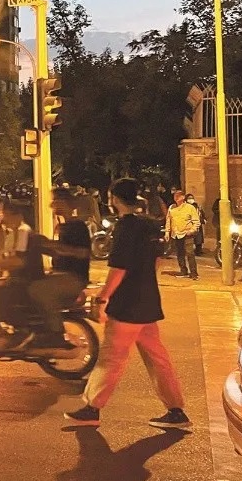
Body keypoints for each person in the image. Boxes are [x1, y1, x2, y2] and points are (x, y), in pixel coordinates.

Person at [65, 178, 191, 429]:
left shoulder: (125, 228)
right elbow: (157, 262)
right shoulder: (150, 225)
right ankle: (176, 410)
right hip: (147, 302)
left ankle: (92, 408)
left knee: (111, 358)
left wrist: (102, 297)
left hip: (126, 306)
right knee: (157, 358)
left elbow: (119, 269)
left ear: (114, 199)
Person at [0, 200, 49, 348]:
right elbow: (4, 258)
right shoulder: (12, 234)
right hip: (14, 279)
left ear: (17, 215)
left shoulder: (24, 231)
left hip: (26, 281)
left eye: (4, 215)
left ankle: (21, 332)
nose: (2, 220)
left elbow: (18, 262)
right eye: (0, 215)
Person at [28, 188, 91, 349]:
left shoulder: (77, 226)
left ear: (64, 203)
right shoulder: (61, 227)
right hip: (59, 275)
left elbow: (82, 252)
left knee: (38, 289)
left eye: (55, 201)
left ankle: (56, 334)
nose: (51, 205)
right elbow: (57, 252)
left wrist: (53, 245)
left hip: (73, 279)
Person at [165, 190, 200, 280]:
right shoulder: (171, 208)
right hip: (176, 234)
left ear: (183, 197)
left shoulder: (190, 208)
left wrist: (192, 230)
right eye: (175, 196)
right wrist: (167, 232)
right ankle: (183, 271)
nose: (176, 198)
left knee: (190, 253)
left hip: (187, 234)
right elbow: (168, 220)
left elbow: (196, 222)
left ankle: (193, 273)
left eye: (178, 196)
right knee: (180, 253)